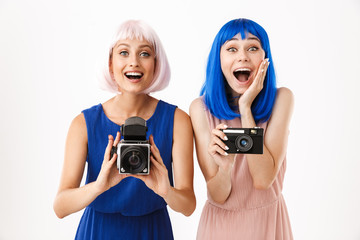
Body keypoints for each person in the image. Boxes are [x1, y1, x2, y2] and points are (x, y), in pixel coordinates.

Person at [53, 20, 196, 240]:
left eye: (145, 54)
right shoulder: (83, 124)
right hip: (98, 231)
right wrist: (99, 186)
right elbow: (60, 207)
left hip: (153, 231)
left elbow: (188, 206)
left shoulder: (178, 121)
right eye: (123, 53)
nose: (134, 62)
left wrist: (166, 190)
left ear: (156, 64)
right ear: (110, 64)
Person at [190, 18, 294, 240]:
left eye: (253, 48)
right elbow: (218, 195)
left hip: (269, 224)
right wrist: (225, 169)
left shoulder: (282, 99)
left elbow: (263, 180)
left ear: (265, 59)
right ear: (219, 59)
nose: (243, 56)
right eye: (232, 48)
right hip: (220, 228)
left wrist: (245, 108)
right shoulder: (200, 109)